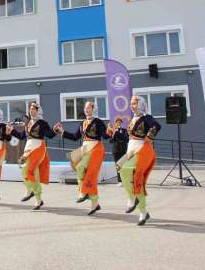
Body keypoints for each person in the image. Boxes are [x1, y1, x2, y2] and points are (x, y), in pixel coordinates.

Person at [109, 96, 161, 226]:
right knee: (121, 170)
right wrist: (114, 133)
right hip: (131, 150)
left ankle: (132, 198)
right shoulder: (133, 119)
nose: (132, 106)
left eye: (135, 104)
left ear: (141, 104)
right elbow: (128, 136)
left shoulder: (146, 117)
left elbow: (157, 125)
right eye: (131, 104)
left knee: (131, 174)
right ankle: (143, 211)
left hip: (142, 150)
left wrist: (150, 135)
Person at [54, 102, 109, 215]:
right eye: (85, 107)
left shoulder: (98, 122)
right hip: (85, 149)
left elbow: (105, 136)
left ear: (94, 109)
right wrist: (62, 132)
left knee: (81, 168)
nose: (86, 109)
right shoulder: (82, 123)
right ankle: (95, 204)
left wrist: (111, 131)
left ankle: (83, 192)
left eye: (89, 107)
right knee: (89, 176)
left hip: (95, 149)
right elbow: (75, 137)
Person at [16, 102, 55, 210]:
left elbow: (50, 135)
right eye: (30, 108)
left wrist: (55, 130)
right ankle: (37, 198)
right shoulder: (28, 123)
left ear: (38, 111)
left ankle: (32, 192)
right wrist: (11, 131)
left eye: (33, 109)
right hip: (28, 149)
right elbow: (21, 136)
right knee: (25, 170)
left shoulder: (42, 123)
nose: (31, 110)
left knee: (31, 170)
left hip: (38, 147)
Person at [109, 116, 129, 185]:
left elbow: (127, 139)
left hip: (123, 149)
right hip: (116, 150)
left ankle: (124, 180)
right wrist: (114, 134)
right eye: (117, 122)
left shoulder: (125, 130)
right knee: (118, 165)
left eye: (120, 122)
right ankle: (119, 181)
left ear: (121, 123)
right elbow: (110, 141)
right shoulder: (113, 130)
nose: (118, 123)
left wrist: (120, 133)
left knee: (123, 165)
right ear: (115, 123)